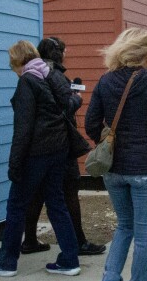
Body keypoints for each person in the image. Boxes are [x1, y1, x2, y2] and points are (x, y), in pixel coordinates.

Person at [85, 28, 147, 281]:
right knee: (145, 232)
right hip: (145, 167)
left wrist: (107, 140)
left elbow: (90, 123)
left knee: (125, 226)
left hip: (114, 169)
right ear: (146, 52)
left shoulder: (106, 81)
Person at [0, 41, 81, 277]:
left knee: (16, 205)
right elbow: (69, 104)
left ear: (19, 61)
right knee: (57, 204)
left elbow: (23, 128)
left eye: (12, 64)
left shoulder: (28, 81)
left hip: (36, 153)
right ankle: (69, 259)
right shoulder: (50, 75)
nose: (13, 69)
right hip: (59, 150)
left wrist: (14, 164)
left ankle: (6, 261)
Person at [21, 37, 106, 257]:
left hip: (38, 145)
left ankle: (29, 240)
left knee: (37, 193)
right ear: (59, 53)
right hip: (60, 144)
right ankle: (78, 243)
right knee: (68, 192)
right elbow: (65, 106)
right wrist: (77, 98)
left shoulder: (32, 75)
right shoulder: (55, 75)